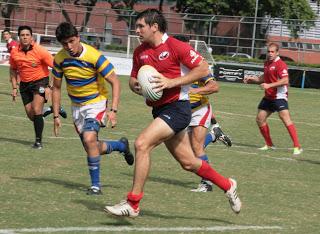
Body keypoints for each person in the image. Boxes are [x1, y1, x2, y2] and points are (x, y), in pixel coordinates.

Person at [104, 9, 241, 217]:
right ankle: (228, 185)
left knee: (142, 144)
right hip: (160, 110)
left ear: (154, 27)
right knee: (188, 162)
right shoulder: (140, 51)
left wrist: (171, 82)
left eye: (141, 26)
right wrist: (137, 86)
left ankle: (133, 203)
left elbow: (204, 69)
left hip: (178, 108)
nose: (137, 30)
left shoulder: (176, 46)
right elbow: (132, 80)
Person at [52, 22, 134, 195]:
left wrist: (113, 109)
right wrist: (56, 115)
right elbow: (57, 88)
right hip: (76, 107)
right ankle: (121, 146)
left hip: (96, 103)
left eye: (72, 41)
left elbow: (115, 81)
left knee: (89, 139)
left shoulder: (94, 56)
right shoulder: (60, 59)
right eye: (64, 43)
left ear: (78, 37)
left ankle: (96, 186)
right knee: (91, 146)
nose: (69, 47)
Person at [244, 42, 302, 155]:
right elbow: (264, 78)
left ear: (277, 53)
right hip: (268, 96)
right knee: (260, 119)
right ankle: (270, 145)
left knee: (285, 118)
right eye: (268, 52)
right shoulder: (267, 63)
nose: (270, 54)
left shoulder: (281, 64)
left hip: (279, 96)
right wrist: (252, 79)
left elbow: (285, 81)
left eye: (272, 52)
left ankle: (297, 146)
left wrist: (269, 85)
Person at [9, 26, 52, 149]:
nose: (25, 37)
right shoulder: (14, 52)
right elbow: (12, 69)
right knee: (31, 115)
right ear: (19, 37)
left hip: (40, 82)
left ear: (31, 37)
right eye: (22, 35)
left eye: (27, 35)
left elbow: (56, 67)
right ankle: (50, 109)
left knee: (37, 110)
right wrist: (14, 88)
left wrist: (50, 86)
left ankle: (38, 142)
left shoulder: (40, 51)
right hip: (24, 84)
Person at [189, 73, 232, 192]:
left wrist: (195, 90)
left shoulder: (197, 65)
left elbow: (214, 86)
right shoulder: (174, 64)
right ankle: (214, 135)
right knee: (188, 151)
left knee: (197, 148)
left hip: (199, 110)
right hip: (183, 111)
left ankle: (207, 183)